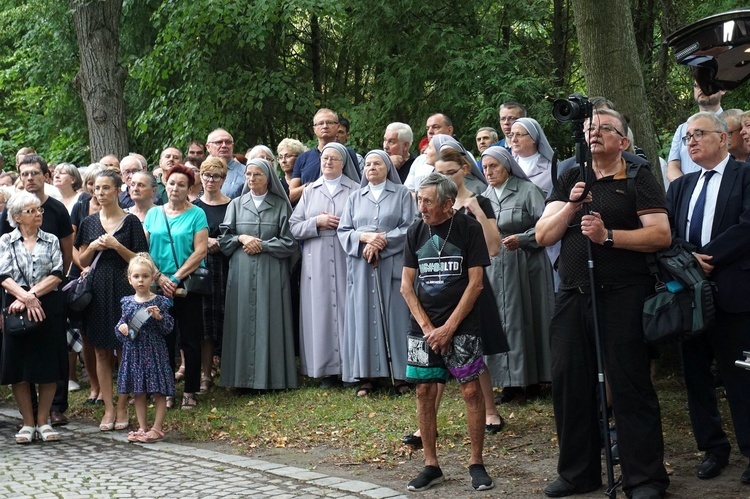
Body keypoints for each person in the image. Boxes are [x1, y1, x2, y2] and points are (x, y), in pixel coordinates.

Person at [536, 109, 670, 498]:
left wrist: (609, 236)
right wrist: (571, 207)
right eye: (589, 128)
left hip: (623, 293)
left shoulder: (638, 177)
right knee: (569, 383)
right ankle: (578, 474)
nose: (594, 134)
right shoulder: (570, 178)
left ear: (623, 141)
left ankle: (644, 478)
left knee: (629, 385)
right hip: (572, 294)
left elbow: (660, 234)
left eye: (604, 129)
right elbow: (544, 234)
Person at [665, 111, 750, 486]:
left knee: (741, 377)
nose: (692, 141)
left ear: (724, 138)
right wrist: (688, 259)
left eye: (699, 134)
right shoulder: (681, 187)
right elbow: (666, 233)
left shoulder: (746, 176)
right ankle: (713, 448)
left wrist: (706, 259)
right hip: (689, 296)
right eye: (687, 138)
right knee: (696, 377)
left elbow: (747, 226)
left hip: (733, 293)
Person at [400, 173, 494, 492]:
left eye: (427, 200)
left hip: (462, 324)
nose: (421, 206)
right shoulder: (415, 231)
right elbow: (406, 286)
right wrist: (429, 329)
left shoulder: (469, 229)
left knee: (470, 390)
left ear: (448, 203)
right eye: (419, 199)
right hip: (424, 328)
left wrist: (449, 327)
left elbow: (477, 282)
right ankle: (431, 465)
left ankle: (476, 462)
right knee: (424, 391)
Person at [431, 148, 508, 430]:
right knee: (434, 353)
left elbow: (494, 247)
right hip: (439, 284)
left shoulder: (482, 201)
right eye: (439, 173)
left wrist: (475, 210)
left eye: (450, 172)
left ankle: (490, 411)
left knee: (474, 350)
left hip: (472, 283)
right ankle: (426, 421)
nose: (445, 178)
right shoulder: (430, 204)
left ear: (464, 169)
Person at [2, 154, 73, 427]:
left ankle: (47, 417)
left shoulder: (54, 224)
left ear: (45, 175)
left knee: (48, 364)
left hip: (48, 303)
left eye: (39, 210)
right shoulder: (7, 233)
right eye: (31, 212)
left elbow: (60, 268)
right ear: (18, 217)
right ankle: (28, 421)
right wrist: (22, 297)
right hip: (14, 306)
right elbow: (3, 272)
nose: (38, 214)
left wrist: (32, 295)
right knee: (20, 366)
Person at [337, 150, 415, 395]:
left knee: (397, 317)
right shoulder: (355, 197)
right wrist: (363, 237)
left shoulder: (402, 194)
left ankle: (401, 376)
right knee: (362, 316)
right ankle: (366, 376)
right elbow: (344, 230)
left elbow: (410, 227)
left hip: (391, 264)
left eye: (377, 163)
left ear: (388, 168)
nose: (371, 167)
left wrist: (381, 240)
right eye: (368, 164)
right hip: (362, 266)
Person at [75, 169, 149, 431]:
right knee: (100, 351)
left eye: (106, 188)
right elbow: (81, 261)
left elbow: (142, 260)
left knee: (124, 349)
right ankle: (108, 407)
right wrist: (94, 247)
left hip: (124, 290)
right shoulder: (89, 222)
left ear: (119, 191)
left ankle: (122, 405)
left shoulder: (131, 223)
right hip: (96, 290)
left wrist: (116, 246)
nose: (101, 193)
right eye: (97, 188)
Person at [480, 146, 554, 403]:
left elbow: (546, 225)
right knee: (500, 322)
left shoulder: (527, 190)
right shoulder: (484, 196)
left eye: (494, 166)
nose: (489, 172)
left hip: (526, 264)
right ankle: (508, 383)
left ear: (507, 167)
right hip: (496, 267)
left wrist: (524, 238)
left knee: (528, 318)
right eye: (485, 167)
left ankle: (533, 381)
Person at [219, 158, 298, 390]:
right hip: (241, 271)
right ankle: (239, 379)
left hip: (270, 271)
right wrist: (241, 238)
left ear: (268, 178)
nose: (252, 179)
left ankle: (272, 378)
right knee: (240, 318)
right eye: (248, 175)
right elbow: (224, 240)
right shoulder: (235, 204)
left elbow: (290, 242)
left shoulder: (281, 205)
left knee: (270, 318)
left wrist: (263, 245)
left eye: (257, 175)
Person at [290, 143, 359, 387]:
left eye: (334, 158)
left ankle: (351, 369)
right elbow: (294, 226)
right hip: (316, 257)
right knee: (320, 313)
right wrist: (316, 222)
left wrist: (342, 227)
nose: (328, 162)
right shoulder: (309, 191)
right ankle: (326, 370)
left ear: (343, 163)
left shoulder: (356, 190)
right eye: (325, 158)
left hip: (346, 255)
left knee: (347, 310)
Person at [144, 164, 208, 410]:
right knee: (163, 340)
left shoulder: (196, 214)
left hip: (186, 285)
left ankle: (189, 391)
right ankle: (166, 390)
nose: (175, 188)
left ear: (189, 188)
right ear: (165, 185)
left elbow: (200, 250)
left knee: (189, 339)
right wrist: (159, 277)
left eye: (182, 184)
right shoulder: (153, 214)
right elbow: (144, 250)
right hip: (157, 286)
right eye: (171, 183)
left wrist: (176, 278)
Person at [115, 253, 175, 444]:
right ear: (129, 279)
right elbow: (120, 328)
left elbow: (168, 328)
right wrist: (122, 329)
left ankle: (157, 428)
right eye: (136, 276)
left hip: (155, 352)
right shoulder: (127, 302)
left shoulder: (160, 301)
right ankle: (142, 427)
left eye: (145, 276)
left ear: (152, 278)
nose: (141, 280)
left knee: (159, 392)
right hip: (134, 354)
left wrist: (159, 318)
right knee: (138, 392)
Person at [193, 157, 231, 393]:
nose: (210, 180)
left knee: (228, 319)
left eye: (216, 176)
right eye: (207, 175)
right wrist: (204, 241)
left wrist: (220, 242)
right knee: (205, 323)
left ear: (223, 179)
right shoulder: (194, 207)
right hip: (202, 268)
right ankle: (205, 374)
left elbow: (239, 231)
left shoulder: (233, 205)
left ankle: (228, 372)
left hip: (228, 266)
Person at [288, 108, 359, 204]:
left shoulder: (347, 154)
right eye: (320, 123)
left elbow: (358, 188)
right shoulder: (303, 158)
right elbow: (291, 195)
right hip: (311, 213)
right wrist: (310, 186)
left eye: (329, 122)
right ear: (314, 129)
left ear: (338, 127)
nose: (325, 126)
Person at [667, 81, 724, 182]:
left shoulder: (733, 125)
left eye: (706, 84)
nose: (701, 88)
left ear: (722, 90)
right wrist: (688, 188)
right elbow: (672, 168)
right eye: (696, 86)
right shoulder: (682, 129)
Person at [404, 113, 454, 193]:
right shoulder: (419, 160)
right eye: (427, 128)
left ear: (449, 130)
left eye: (435, 127)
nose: (430, 131)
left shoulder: (461, 156)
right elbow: (407, 191)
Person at [509, 118, 554, 197]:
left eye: (519, 135)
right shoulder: (507, 168)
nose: (514, 139)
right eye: (511, 135)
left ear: (533, 138)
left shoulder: (551, 170)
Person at [206, 129, 245, 199]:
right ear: (208, 147)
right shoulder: (199, 172)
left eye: (228, 142)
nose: (224, 145)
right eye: (219, 142)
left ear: (232, 146)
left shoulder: (245, 172)